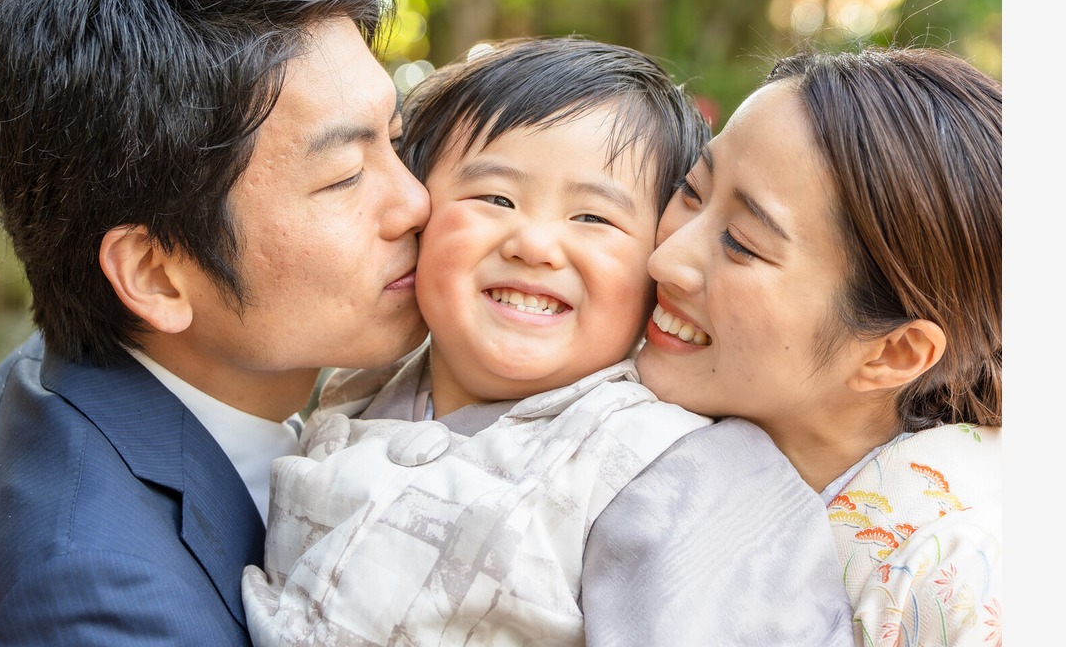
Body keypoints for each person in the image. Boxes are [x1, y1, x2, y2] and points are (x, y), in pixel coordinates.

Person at [242, 37, 854, 646]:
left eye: (593, 218)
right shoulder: (358, 386)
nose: (534, 244)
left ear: (658, 261)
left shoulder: (678, 470)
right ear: (418, 208)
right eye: (495, 198)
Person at [0, 0, 430, 644]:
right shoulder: (102, 599)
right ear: (156, 275)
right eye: (345, 176)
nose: (416, 202)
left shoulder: (100, 380)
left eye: (395, 138)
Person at [631, 46, 1002, 644]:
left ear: (893, 352)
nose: (663, 258)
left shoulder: (956, 580)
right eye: (692, 190)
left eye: (742, 244)